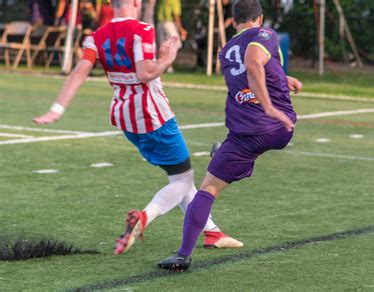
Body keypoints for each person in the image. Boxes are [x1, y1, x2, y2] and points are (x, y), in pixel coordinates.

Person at [33, 0, 243, 256]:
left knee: (178, 176)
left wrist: (57, 109)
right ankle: (143, 217)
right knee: (183, 179)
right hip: (152, 115)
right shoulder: (141, 29)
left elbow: (79, 72)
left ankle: (212, 232)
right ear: (135, 2)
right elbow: (146, 73)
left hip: (124, 117)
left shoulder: (95, 37)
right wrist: (168, 58)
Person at [159, 0, 303, 271]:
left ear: (233, 20)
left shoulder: (224, 51)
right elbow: (256, 63)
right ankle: (230, 153)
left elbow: (252, 64)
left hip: (247, 134)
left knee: (207, 190)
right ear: (259, 18)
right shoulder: (266, 34)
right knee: (235, 150)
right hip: (280, 130)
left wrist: (272, 98)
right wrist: (274, 99)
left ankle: (182, 255)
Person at [144, 0, 187, 72]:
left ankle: (160, 66)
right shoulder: (175, 1)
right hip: (169, 24)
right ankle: (169, 67)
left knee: (161, 45)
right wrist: (181, 29)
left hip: (160, 24)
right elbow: (176, 16)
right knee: (174, 45)